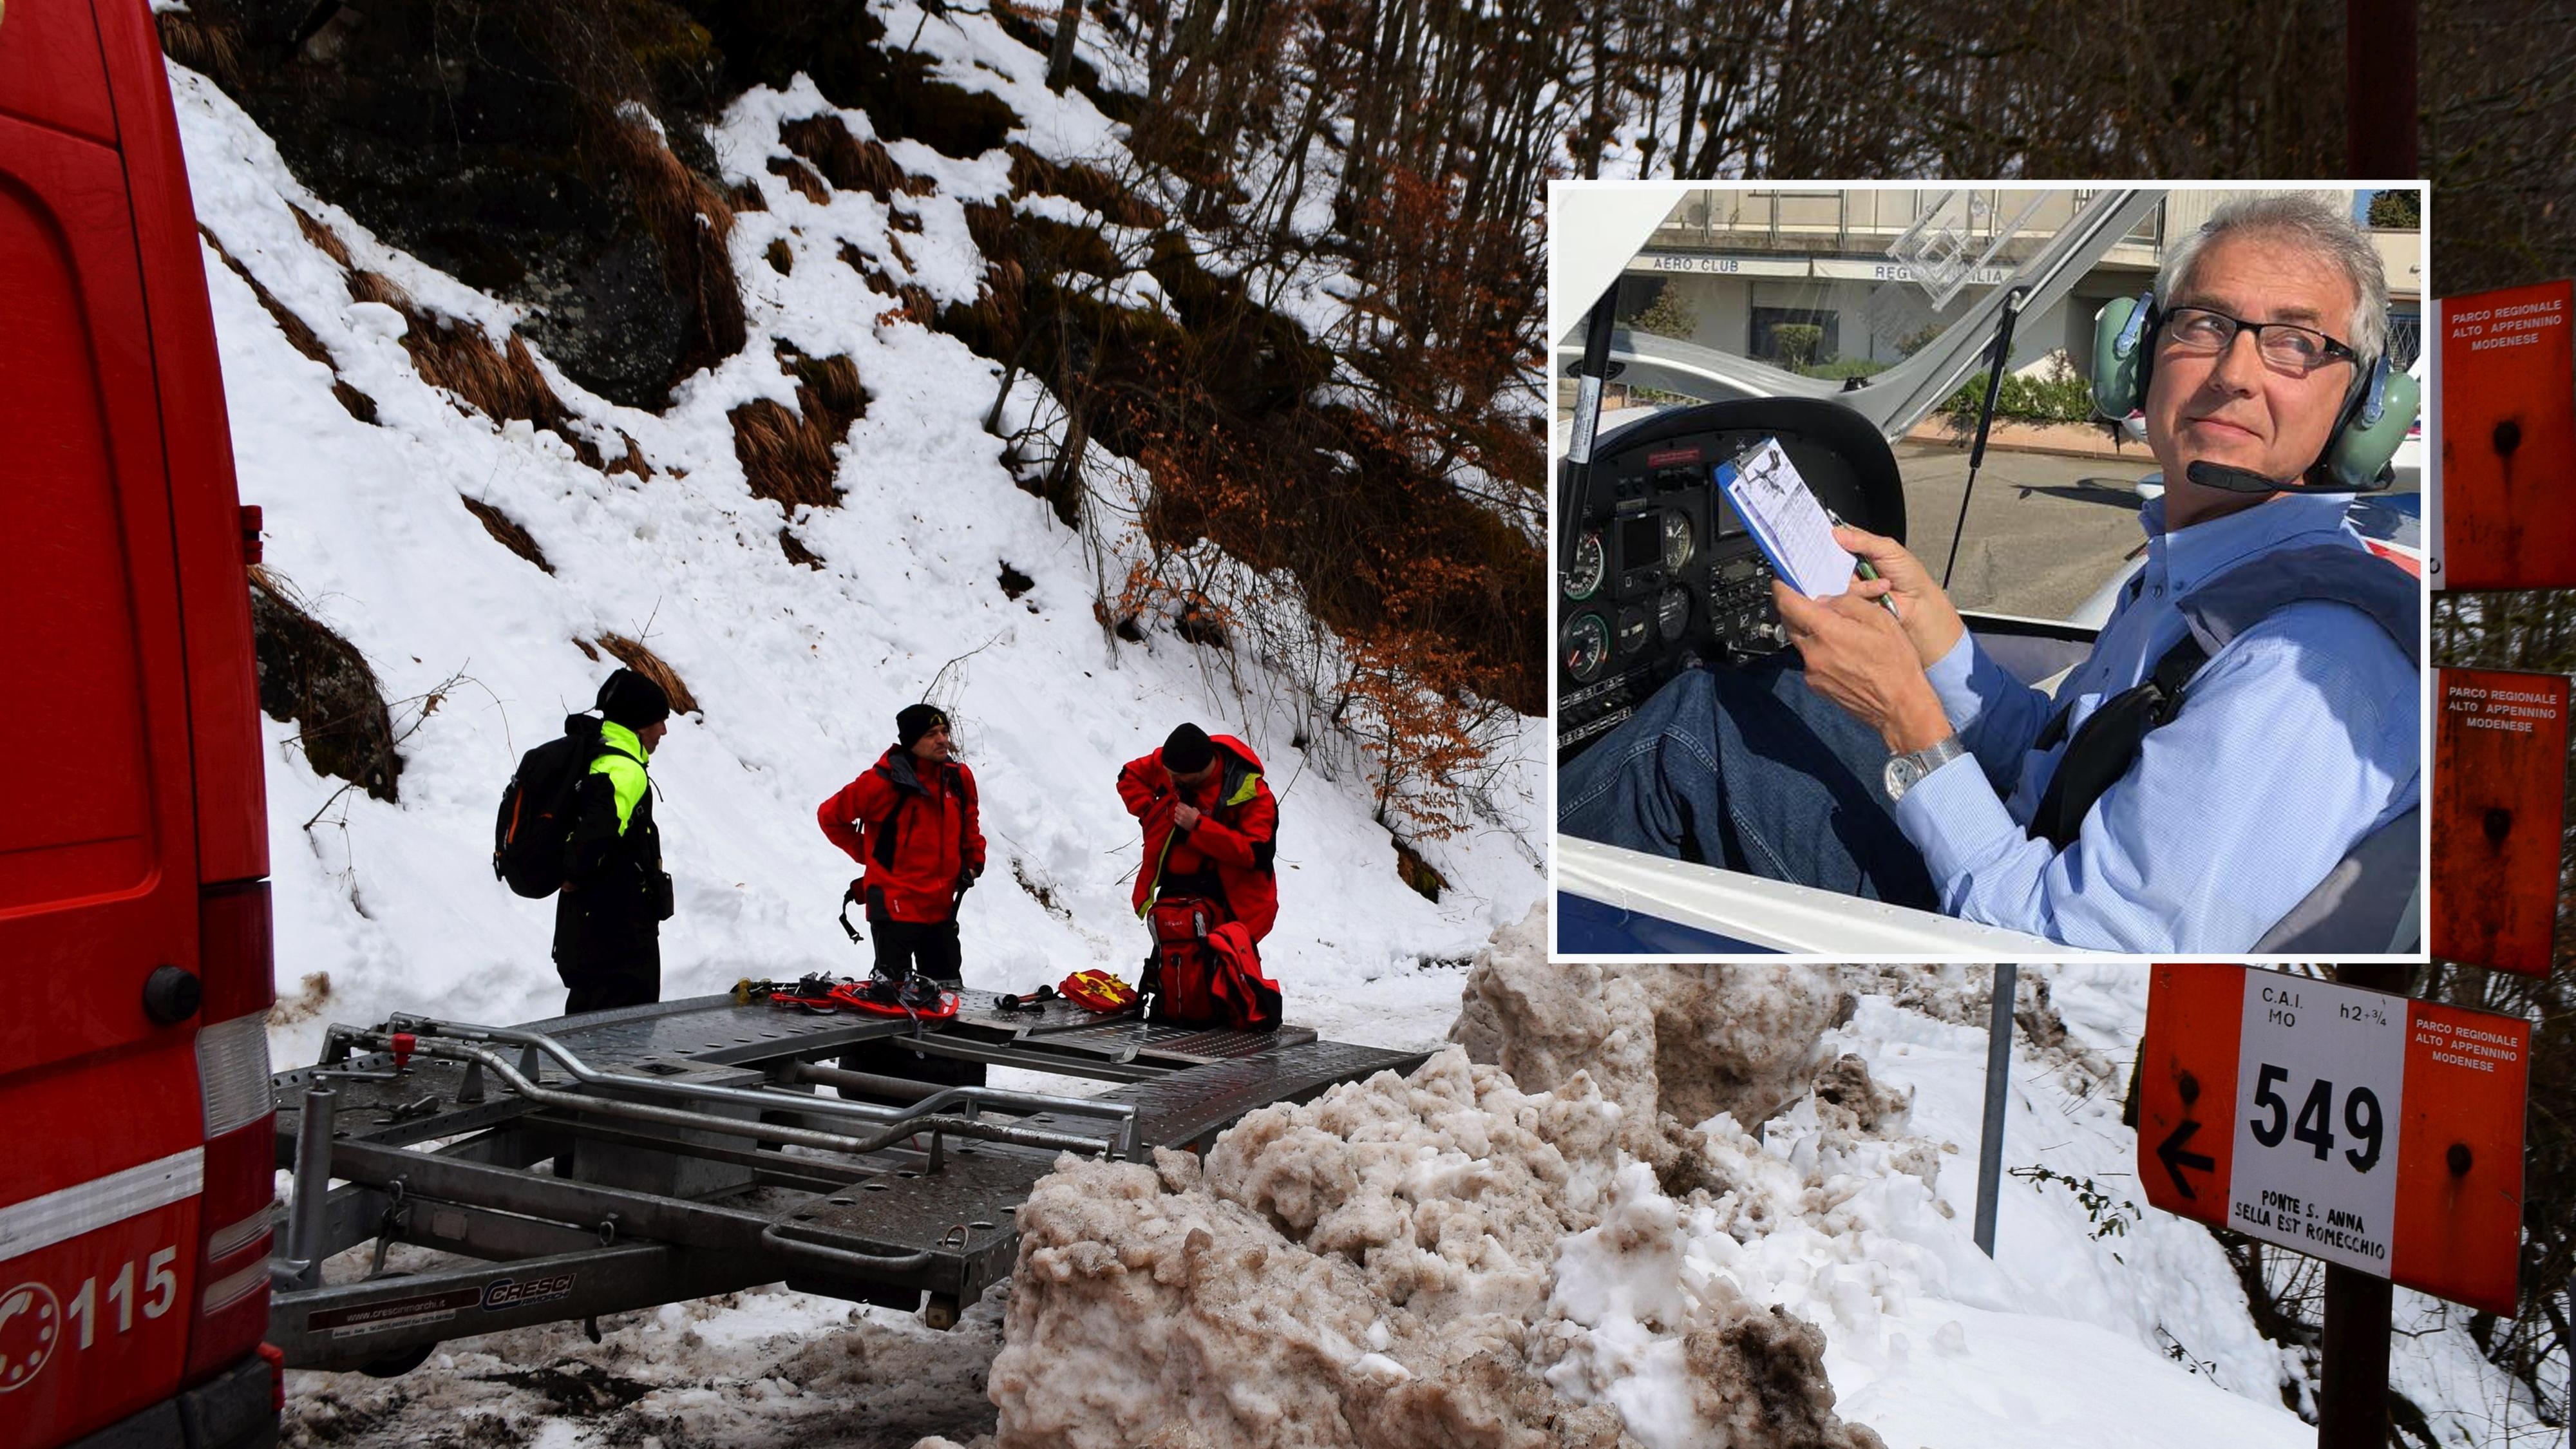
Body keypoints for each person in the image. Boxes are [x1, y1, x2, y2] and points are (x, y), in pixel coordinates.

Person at [1559, 193, 2420, 952]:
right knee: (1783, 684)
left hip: (2002, 950)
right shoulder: (2209, 573)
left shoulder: (2306, 672)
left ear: (2362, 409)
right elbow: (2061, 762)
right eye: (2204, 326)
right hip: (2027, 872)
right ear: (2141, 356)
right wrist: (1933, 636)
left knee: (1693, 732)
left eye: (2297, 344)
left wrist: (1907, 715)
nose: (2235, 373)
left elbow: (2072, 952)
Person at [817, 703, 985, 987]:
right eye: (932, 734)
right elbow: (829, 816)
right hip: (895, 909)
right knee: (894, 997)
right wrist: (872, 855)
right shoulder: (881, 782)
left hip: (940, 908)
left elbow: (970, 821)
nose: (943, 739)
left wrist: (974, 862)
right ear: (911, 741)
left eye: (944, 731)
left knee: (947, 991)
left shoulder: (958, 777)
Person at [557, 668, 674, 1012]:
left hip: (587, 927)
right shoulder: (625, 771)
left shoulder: (596, 754)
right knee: (621, 1035)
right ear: (639, 724)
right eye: (659, 721)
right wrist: (574, 874)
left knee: (586, 1026)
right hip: (617, 938)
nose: (664, 731)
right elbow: (595, 837)